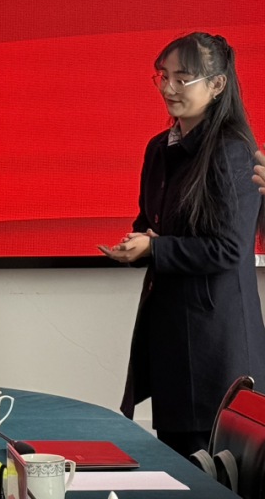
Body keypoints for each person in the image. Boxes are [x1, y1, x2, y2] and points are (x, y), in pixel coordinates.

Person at [99, 33, 265, 458]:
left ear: (217, 84)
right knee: (175, 462)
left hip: (216, 343)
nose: (168, 88)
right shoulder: (159, 147)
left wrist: (155, 249)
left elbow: (229, 249)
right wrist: (137, 242)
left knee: (211, 469)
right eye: (163, 76)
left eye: (182, 78)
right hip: (171, 334)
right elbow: (152, 223)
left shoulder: (233, 151)